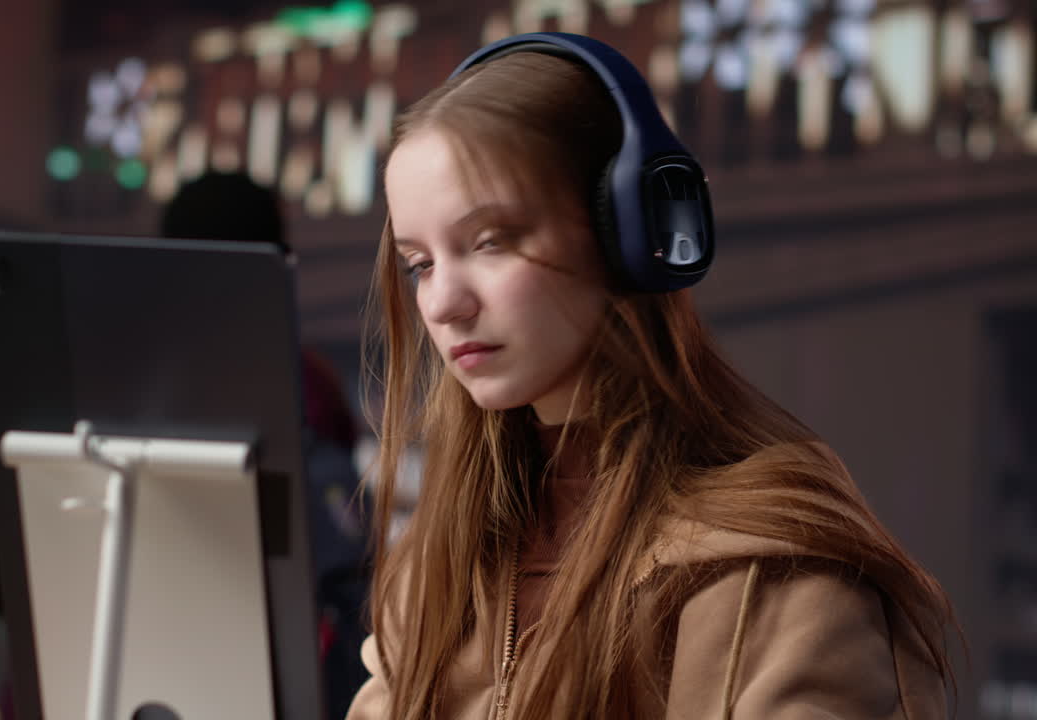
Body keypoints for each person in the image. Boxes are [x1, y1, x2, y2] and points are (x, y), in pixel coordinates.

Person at [348, 33, 956, 720]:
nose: (441, 303)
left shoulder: (775, 572)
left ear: (628, 231)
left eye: (491, 241)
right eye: (419, 263)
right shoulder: (437, 569)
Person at [161, 170, 372, 720]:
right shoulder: (299, 381)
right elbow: (344, 561)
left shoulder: (90, 370)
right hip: (259, 684)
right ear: (273, 262)